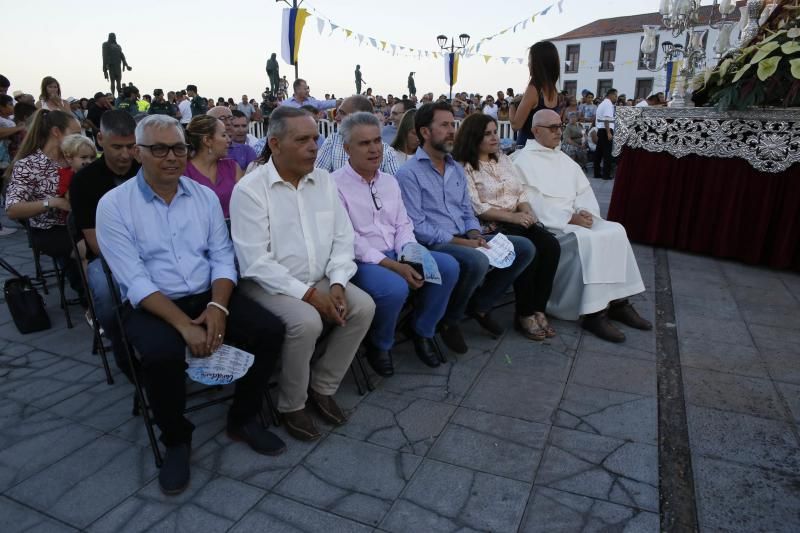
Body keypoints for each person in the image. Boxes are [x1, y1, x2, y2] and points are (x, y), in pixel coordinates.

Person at [96, 114, 285, 494]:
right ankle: (177, 438)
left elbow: (220, 256)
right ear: (137, 152)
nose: (171, 157)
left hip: (205, 293)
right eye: (159, 149)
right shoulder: (114, 205)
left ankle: (243, 416)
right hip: (152, 302)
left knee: (269, 330)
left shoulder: (202, 197)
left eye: (179, 147)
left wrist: (218, 308)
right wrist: (184, 325)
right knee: (162, 355)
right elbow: (133, 279)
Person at [230, 106, 375, 442]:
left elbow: (343, 238)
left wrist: (338, 281)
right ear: (275, 144)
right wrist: (311, 296)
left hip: (320, 276)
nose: (314, 146)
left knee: (362, 306)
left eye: (315, 137)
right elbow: (255, 261)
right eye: (303, 140)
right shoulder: (251, 189)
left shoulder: (323, 180)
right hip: (267, 285)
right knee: (306, 321)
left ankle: (322, 386)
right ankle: (291, 404)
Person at [396, 101, 535, 354]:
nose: (452, 131)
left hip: (466, 237)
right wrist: (463, 242)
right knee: (477, 261)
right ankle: (450, 320)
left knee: (524, 247)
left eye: (453, 124)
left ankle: (480, 304)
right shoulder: (409, 173)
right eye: (445, 125)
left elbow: (466, 210)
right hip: (434, 243)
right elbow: (417, 226)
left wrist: (474, 233)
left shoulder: (454, 167)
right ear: (425, 132)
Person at [333, 112, 459, 373]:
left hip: (396, 250)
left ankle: (423, 330)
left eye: (377, 141)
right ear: (347, 148)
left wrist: (408, 253)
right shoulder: (334, 184)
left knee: (447, 267)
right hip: (362, 260)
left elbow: (403, 224)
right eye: (364, 143)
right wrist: (392, 265)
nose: (374, 149)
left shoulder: (389, 181)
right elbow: (349, 239)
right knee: (394, 288)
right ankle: (381, 343)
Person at [513, 110, 651, 343]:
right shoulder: (520, 161)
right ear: (536, 131)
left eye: (560, 125)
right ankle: (593, 313)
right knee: (591, 240)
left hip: (574, 219)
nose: (559, 131)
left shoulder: (564, 160)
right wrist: (568, 218)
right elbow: (528, 202)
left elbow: (583, 192)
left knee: (616, 230)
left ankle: (618, 302)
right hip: (552, 228)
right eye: (553, 128)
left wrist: (584, 212)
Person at [453, 113, 560, 340]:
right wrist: (513, 218)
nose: (495, 138)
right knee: (529, 249)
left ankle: (539, 307)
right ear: (473, 137)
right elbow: (476, 206)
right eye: (488, 134)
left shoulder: (503, 158)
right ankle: (524, 313)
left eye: (495, 132)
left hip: (518, 219)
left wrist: (526, 209)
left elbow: (519, 190)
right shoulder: (464, 166)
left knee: (551, 246)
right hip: (491, 226)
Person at [70, 110, 140, 377]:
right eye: (116, 147)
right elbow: (95, 241)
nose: (125, 155)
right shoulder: (84, 181)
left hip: (152, 248)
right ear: (100, 140)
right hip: (108, 257)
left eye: (130, 146)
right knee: (107, 294)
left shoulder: (144, 169)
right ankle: (122, 351)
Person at [5, 109, 83, 296]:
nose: (80, 139)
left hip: (80, 222)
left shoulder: (76, 158)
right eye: (75, 134)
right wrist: (52, 202)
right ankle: (90, 300)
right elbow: (12, 209)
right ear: (56, 132)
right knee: (84, 250)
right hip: (50, 229)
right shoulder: (29, 165)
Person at [316, 95, 399, 174]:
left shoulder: (386, 152)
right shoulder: (333, 141)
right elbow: (318, 177)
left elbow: (393, 185)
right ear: (347, 148)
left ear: (360, 117)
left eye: (342, 113)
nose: (336, 118)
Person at [185, 114, 242, 219]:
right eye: (224, 135)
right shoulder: (183, 172)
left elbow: (244, 205)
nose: (229, 140)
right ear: (207, 140)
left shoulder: (232, 167)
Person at [510, 41, 561, 148]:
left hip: (528, 149)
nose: (528, 64)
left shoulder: (533, 89)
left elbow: (516, 125)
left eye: (530, 59)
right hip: (547, 148)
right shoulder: (554, 90)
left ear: (537, 63)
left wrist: (512, 104)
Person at [594, 88, 617, 180]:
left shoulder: (602, 103)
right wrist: (608, 133)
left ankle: (597, 173)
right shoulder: (608, 104)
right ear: (610, 95)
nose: (616, 98)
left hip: (601, 130)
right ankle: (606, 175)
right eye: (615, 96)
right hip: (605, 130)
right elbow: (607, 119)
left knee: (599, 153)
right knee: (607, 153)